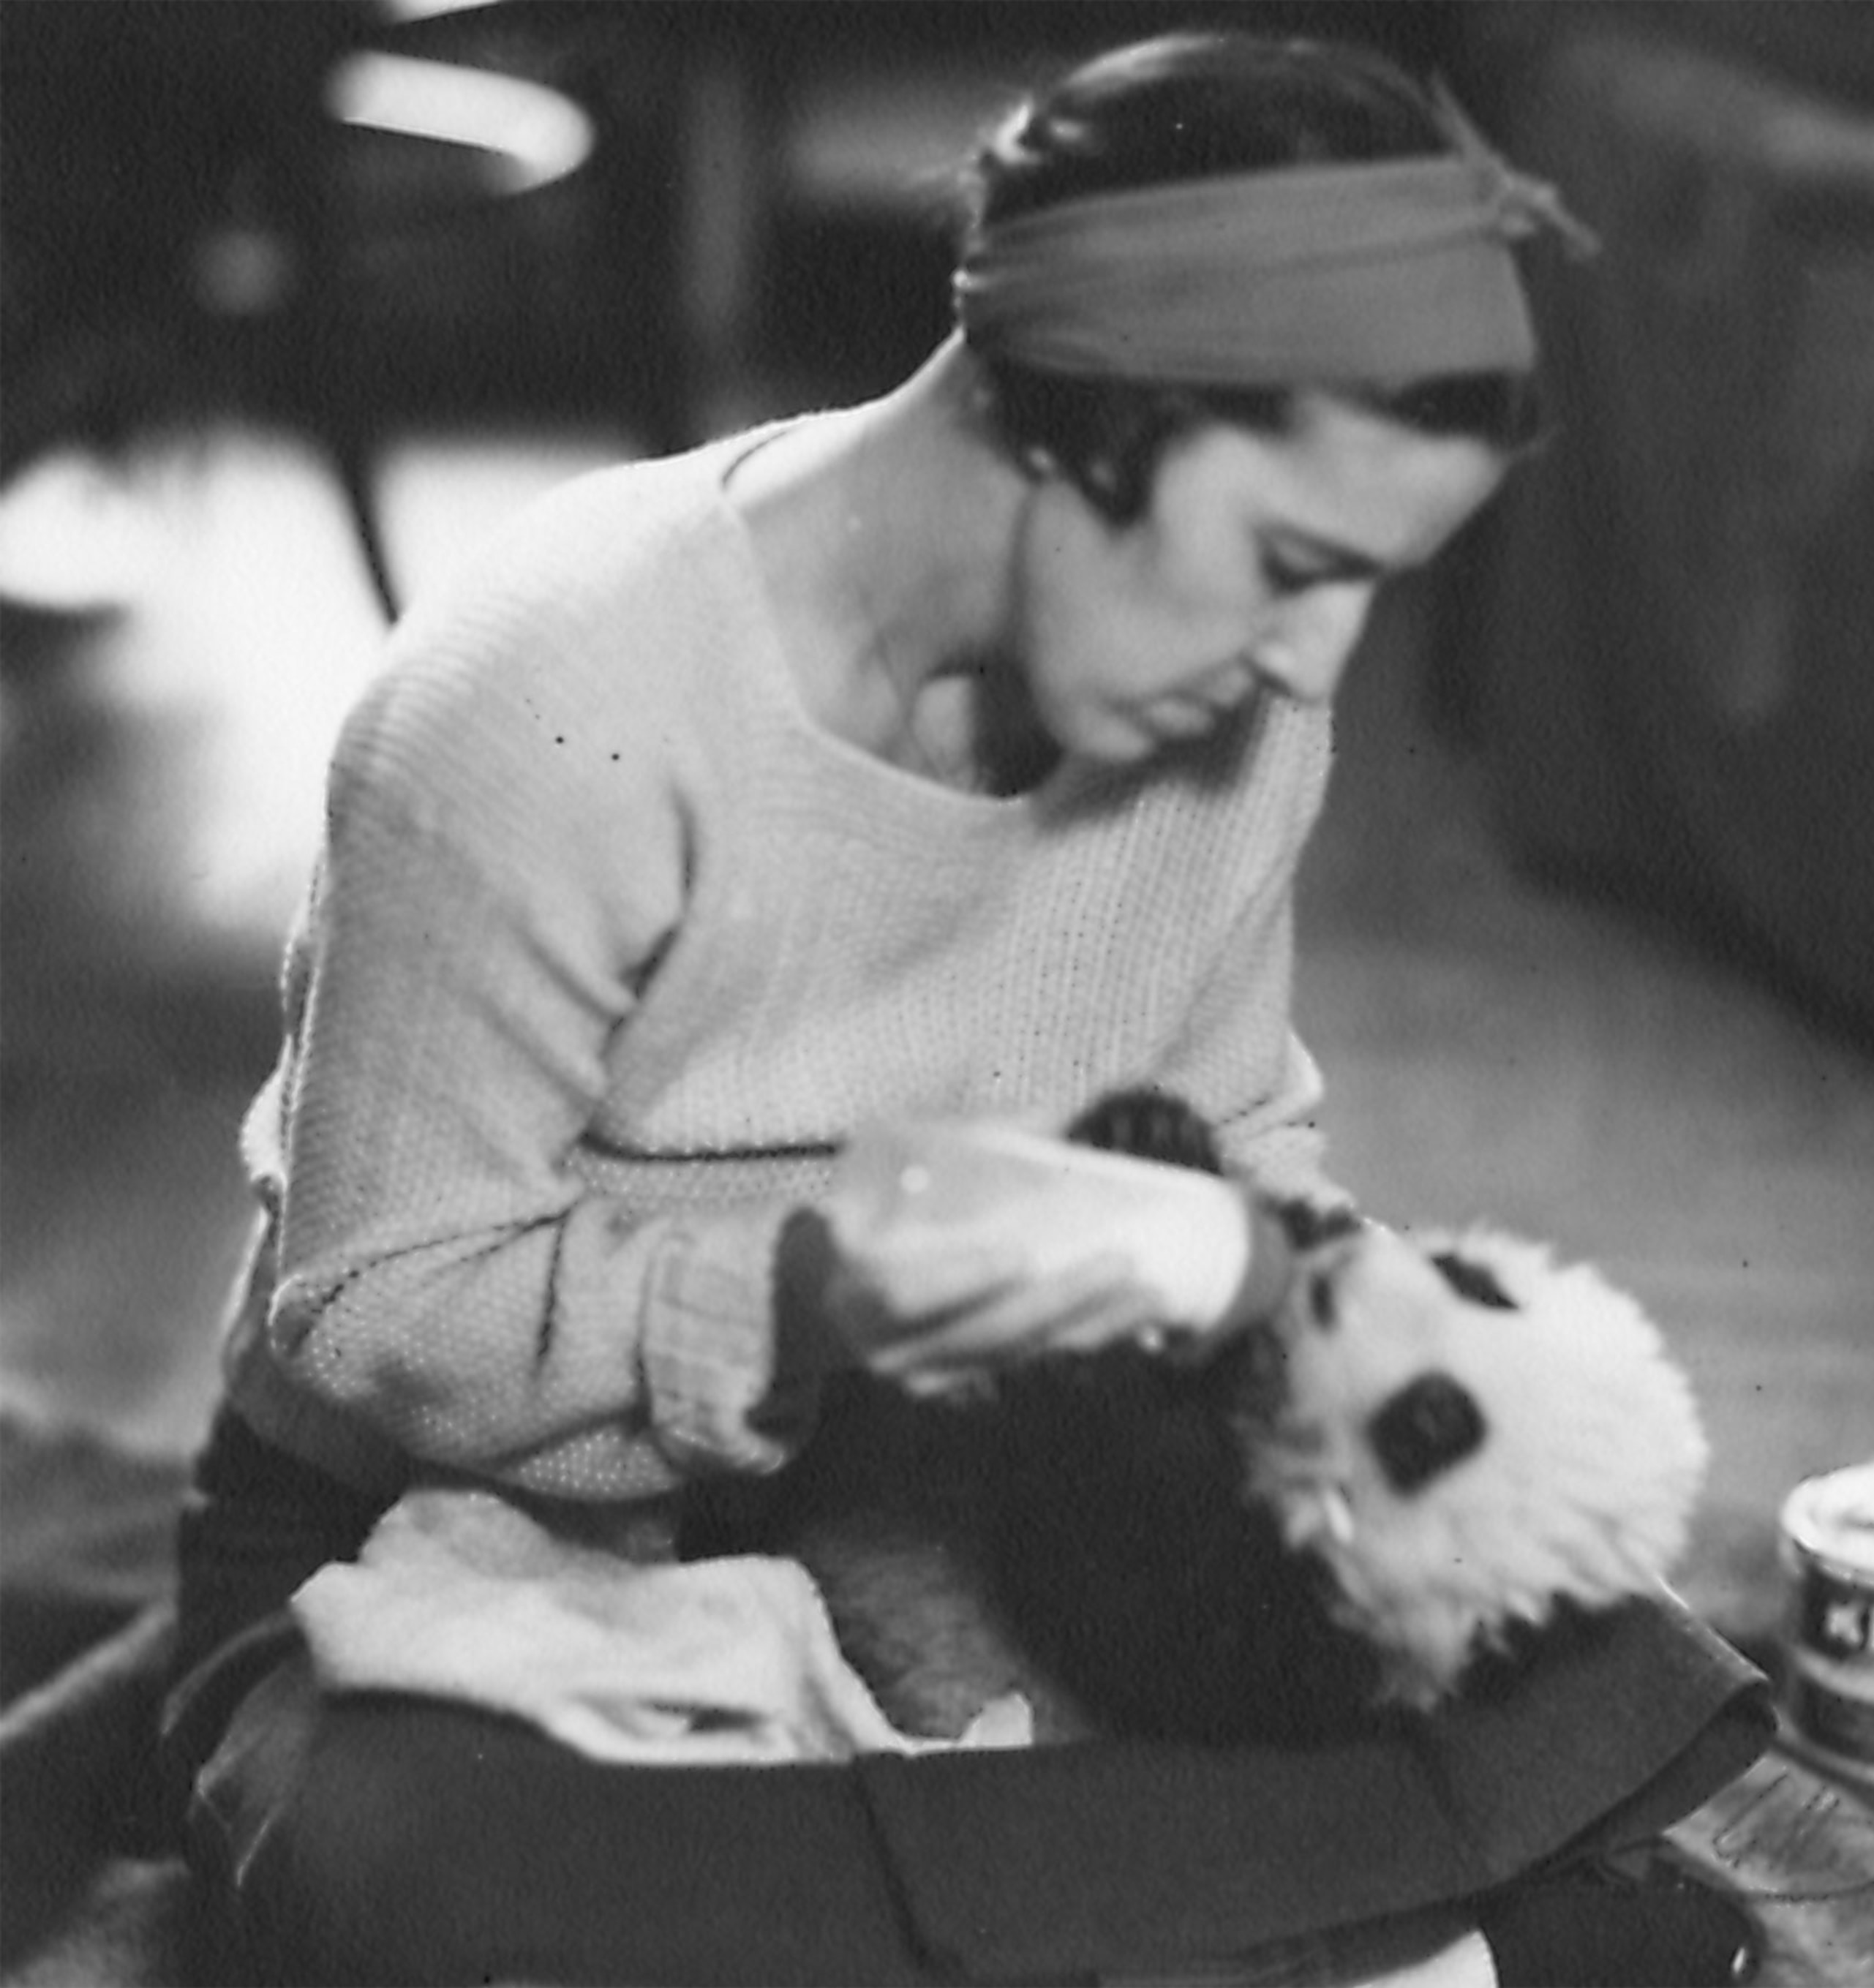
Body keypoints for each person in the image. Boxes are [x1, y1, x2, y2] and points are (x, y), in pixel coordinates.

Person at [161, 30, 1770, 1987]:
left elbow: (1236, 1141)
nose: (1315, 657)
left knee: (1615, 1683)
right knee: (426, 1899)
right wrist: (810, 1296)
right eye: (1291, 562)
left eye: (1366, 587)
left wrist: (1288, 1314)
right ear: (1074, 406)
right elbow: (370, 1318)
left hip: (959, 1500)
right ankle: (1291, 1937)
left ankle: (1085, 1914)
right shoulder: (540, 701)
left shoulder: (1238, 719)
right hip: (444, 1529)